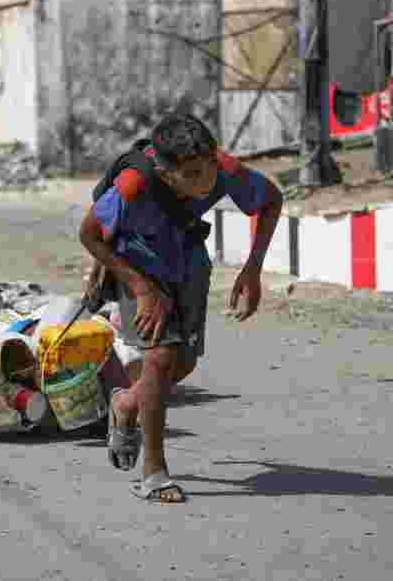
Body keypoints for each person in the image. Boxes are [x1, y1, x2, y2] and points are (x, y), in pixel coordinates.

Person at [78, 113, 283, 503]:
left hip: (187, 262)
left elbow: (271, 200)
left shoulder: (222, 168)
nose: (204, 181)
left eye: (207, 168)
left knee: (182, 364)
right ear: (164, 169)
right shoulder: (133, 184)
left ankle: (125, 403)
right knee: (159, 356)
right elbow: (90, 233)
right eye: (191, 174)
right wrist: (140, 287)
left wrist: (253, 269)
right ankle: (153, 473)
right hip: (136, 265)